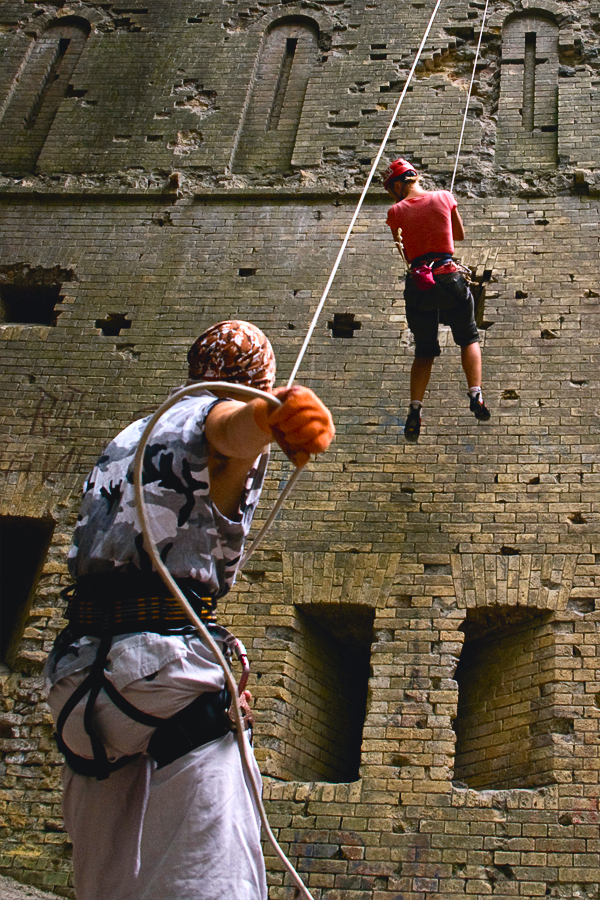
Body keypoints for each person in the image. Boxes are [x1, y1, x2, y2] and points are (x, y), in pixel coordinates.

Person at [45, 320, 335, 900]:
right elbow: (226, 432)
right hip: (159, 679)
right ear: (255, 382)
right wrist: (271, 416)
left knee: (105, 889)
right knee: (213, 885)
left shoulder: (132, 434)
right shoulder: (213, 417)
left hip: (77, 685)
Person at [383, 157, 490, 442]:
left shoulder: (395, 211)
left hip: (419, 285)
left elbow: (405, 253)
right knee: (468, 337)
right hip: (448, 277)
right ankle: (475, 394)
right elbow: (459, 235)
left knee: (424, 351)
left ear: (398, 185)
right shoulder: (444, 196)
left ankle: (415, 410)